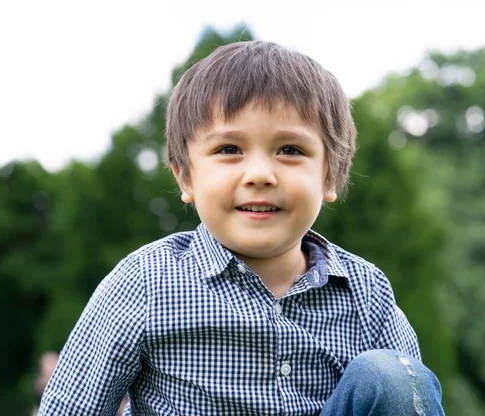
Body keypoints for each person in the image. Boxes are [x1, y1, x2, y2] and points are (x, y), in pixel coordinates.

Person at [39, 40, 444, 415]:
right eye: (228, 150)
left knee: (393, 376)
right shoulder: (145, 282)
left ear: (330, 177)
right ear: (185, 178)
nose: (260, 174)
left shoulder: (365, 292)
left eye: (290, 150)